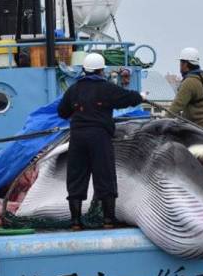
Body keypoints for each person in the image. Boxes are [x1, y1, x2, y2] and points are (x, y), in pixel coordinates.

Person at [57, 53, 145, 231]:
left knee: (76, 177)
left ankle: (75, 222)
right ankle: (108, 220)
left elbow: (62, 112)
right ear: (101, 70)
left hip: (78, 137)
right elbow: (127, 98)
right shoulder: (107, 88)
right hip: (99, 137)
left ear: (85, 70)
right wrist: (141, 97)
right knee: (105, 176)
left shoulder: (73, 90)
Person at [168, 47, 203, 137]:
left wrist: (159, 124)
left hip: (202, 129)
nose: (180, 65)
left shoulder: (189, 82)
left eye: (181, 62)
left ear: (185, 64)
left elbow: (176, 107)